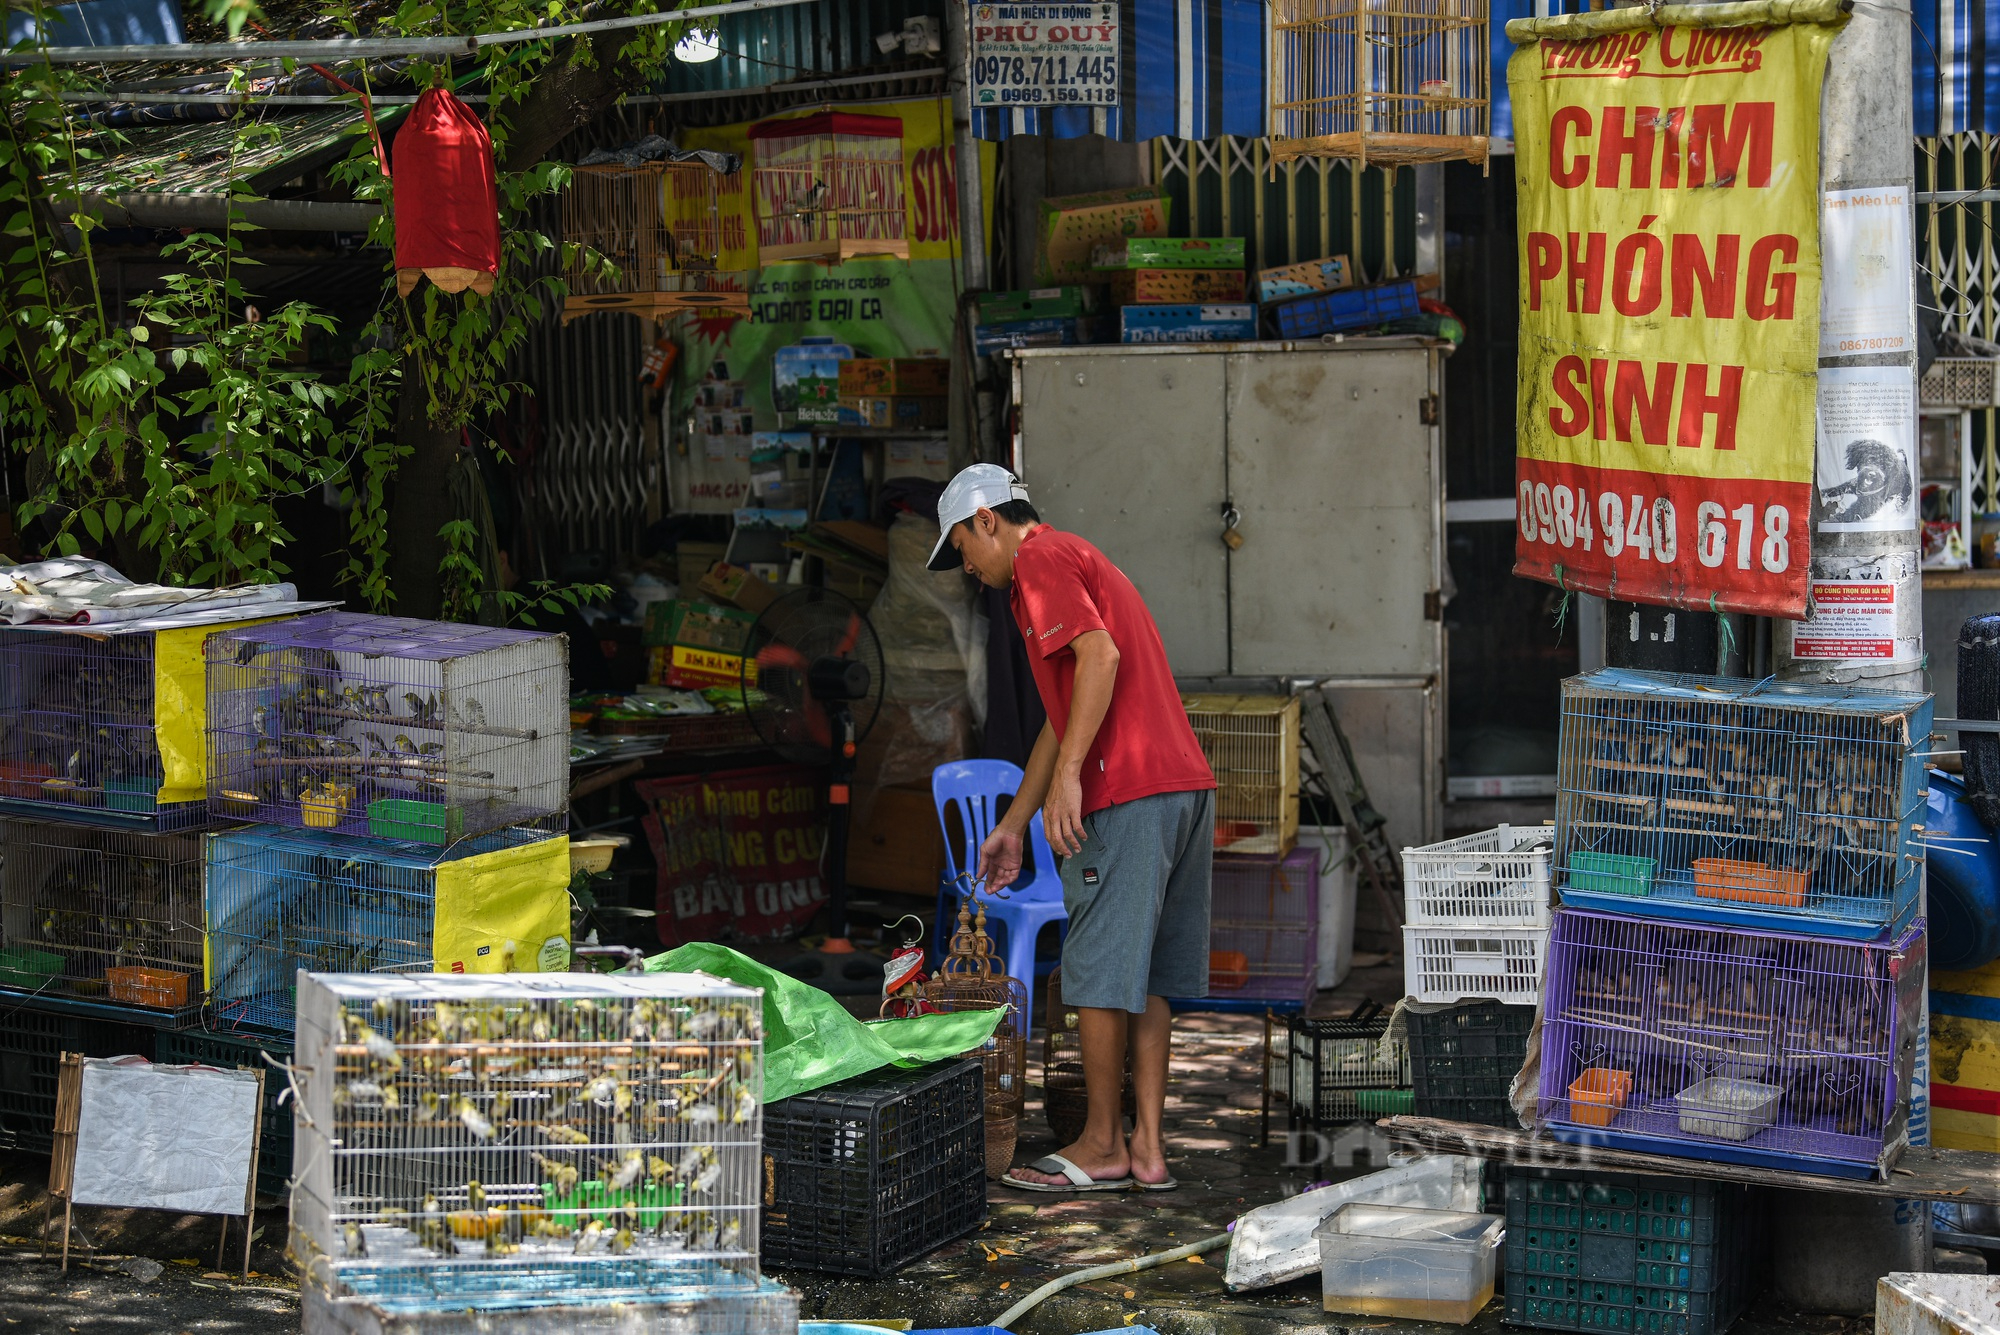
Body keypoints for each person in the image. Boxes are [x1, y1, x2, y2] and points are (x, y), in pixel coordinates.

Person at [927, 463, 1215, 1192]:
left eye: (961, 543)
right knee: (1145, 976)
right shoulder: (1077, 558)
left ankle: (1100, 1142)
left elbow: (1100, 656)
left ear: (988, 519)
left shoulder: (1040, 559)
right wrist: (1016, 823)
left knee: (1092, 974)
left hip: (1127, 792)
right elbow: (1064, 717)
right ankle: (1146, 1150)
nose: (965, 562)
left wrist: (1072, 779)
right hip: (1179, 786)